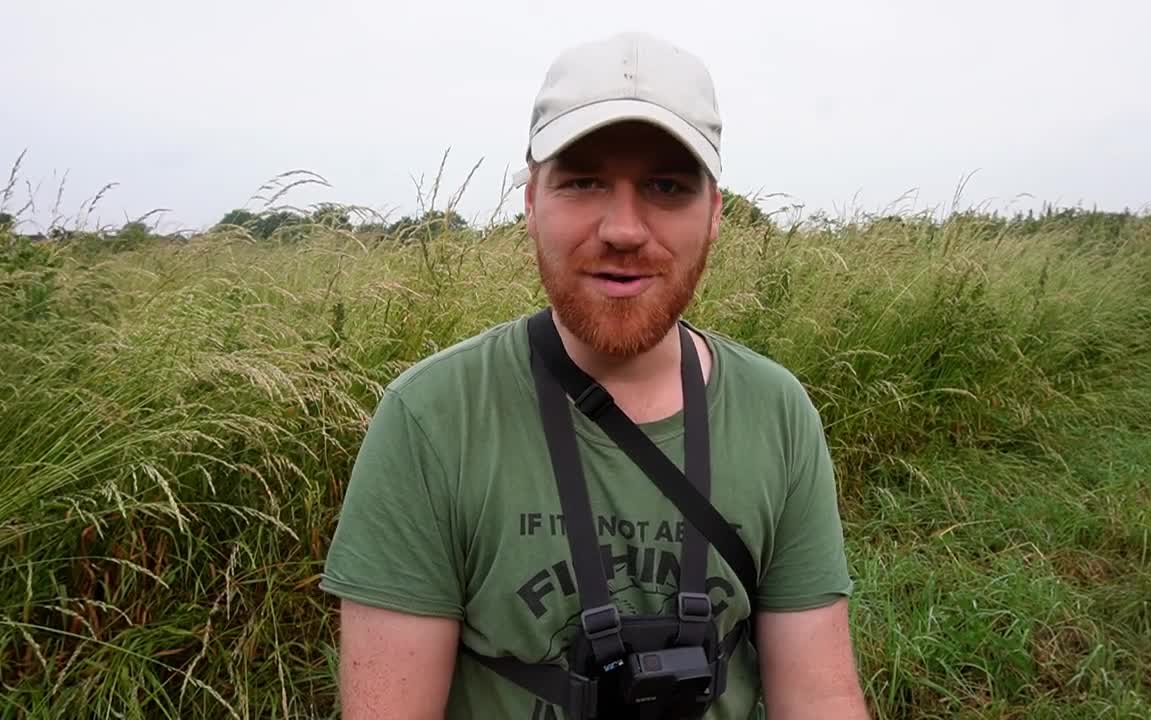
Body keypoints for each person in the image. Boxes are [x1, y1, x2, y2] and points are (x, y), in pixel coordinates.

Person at [319, 31, 871, 720]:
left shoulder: (776, 413)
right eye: (583, 181)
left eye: (667, 186)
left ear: (715, 215)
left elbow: (820, 698)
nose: (624, 229)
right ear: (530, 201)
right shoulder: (433, 418)